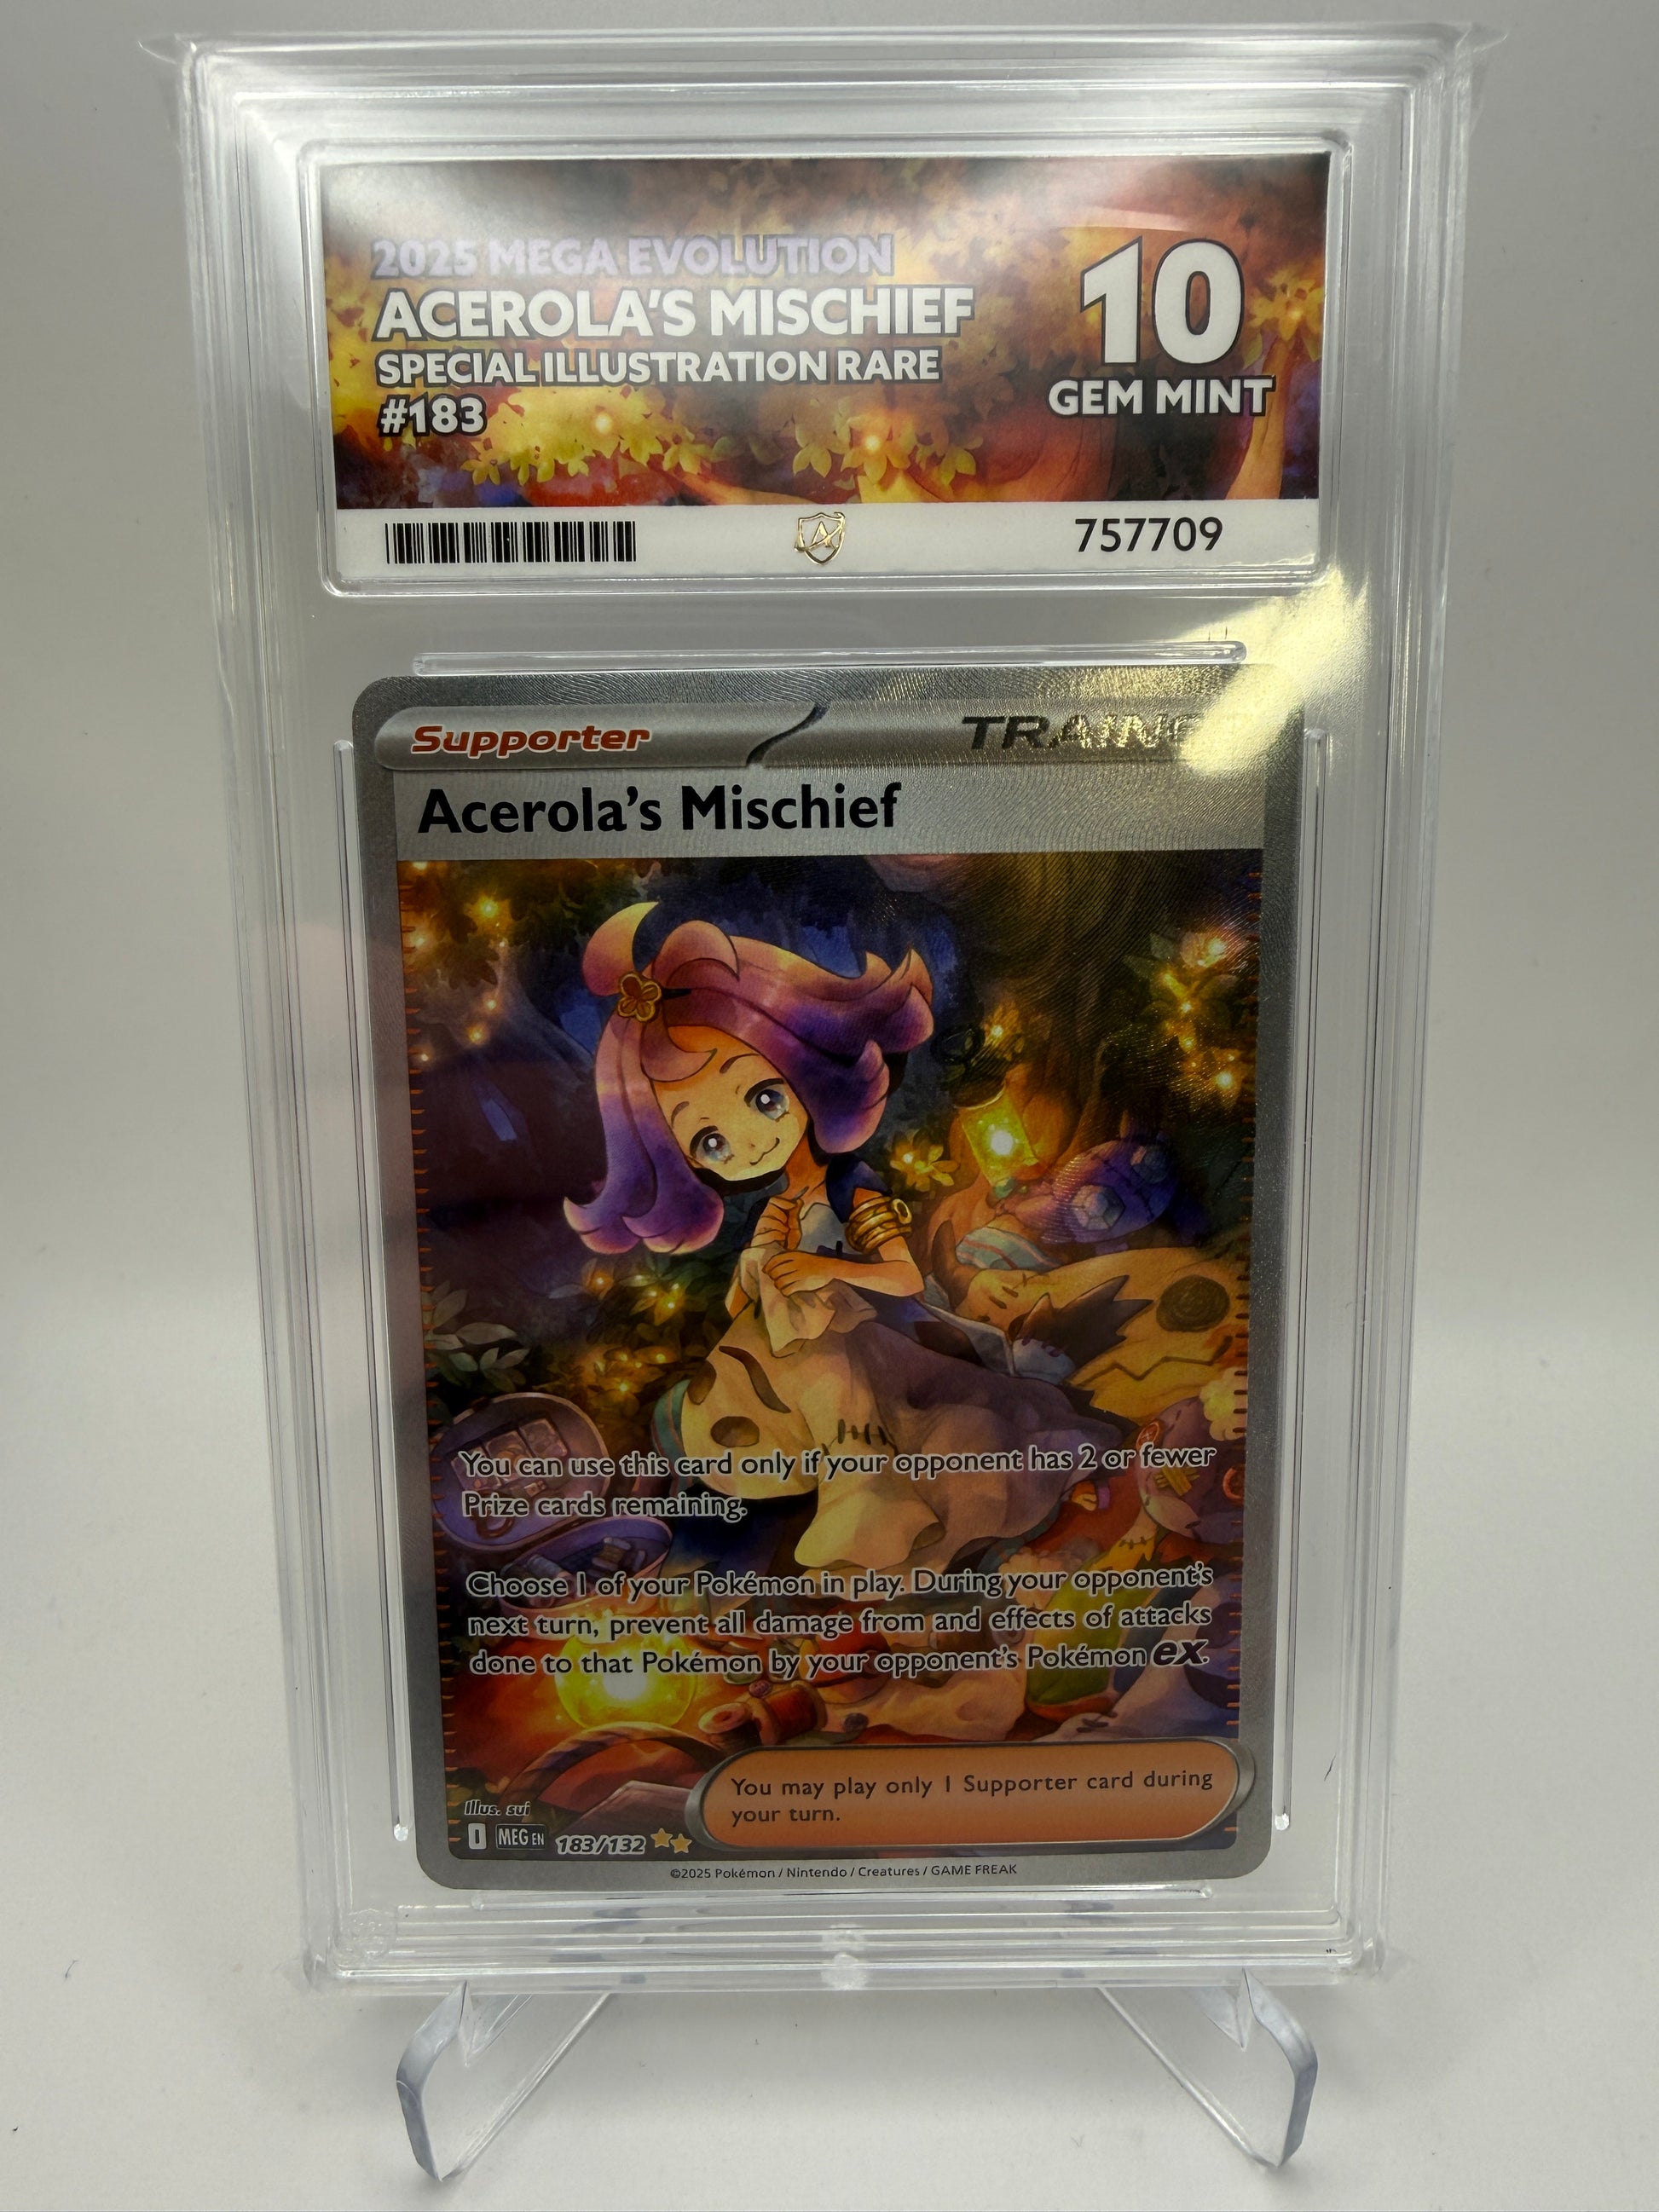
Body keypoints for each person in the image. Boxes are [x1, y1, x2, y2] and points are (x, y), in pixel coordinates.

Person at [565, 900, 1124, 1577]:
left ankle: (865, 1495)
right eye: (708, 1140)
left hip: (889, 1342)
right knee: (795, 1370)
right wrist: (760, 1268)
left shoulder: (849, 1187)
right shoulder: (778, 1206)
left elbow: (904, 1279)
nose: (749, 1142)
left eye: (763, 1097)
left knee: (834, 1362)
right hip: (796, 1380)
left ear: (801, 1066)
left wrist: (822, 1270)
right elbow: (746, 1312)